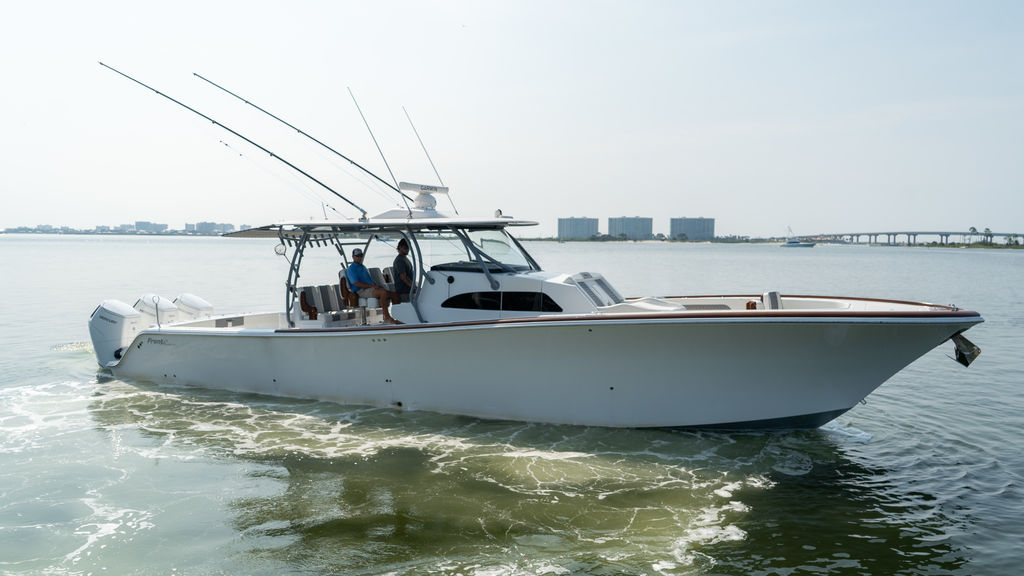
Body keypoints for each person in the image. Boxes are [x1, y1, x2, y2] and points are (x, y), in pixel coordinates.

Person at [345, 248, 399, 323]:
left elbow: (368, 280)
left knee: (394, 295)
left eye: (361, 255)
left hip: (369, 288)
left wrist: (375, 285)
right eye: (357, 256)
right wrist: (371, 286)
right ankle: (386, 317)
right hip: (361, 291)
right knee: (383, 292)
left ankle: (398, 317)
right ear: (353, 257)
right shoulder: (351, 269)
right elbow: (356, 283)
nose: (359, 257)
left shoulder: (362, 267)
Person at [392, 238, 415, 302]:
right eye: (406, 248)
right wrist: (414, 287)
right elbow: (403, 277)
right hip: (404, 293)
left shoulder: (404, 258)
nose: (407, 250)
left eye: (408, 248)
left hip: (409, 291)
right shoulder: (400, 260)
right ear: (400, 247)